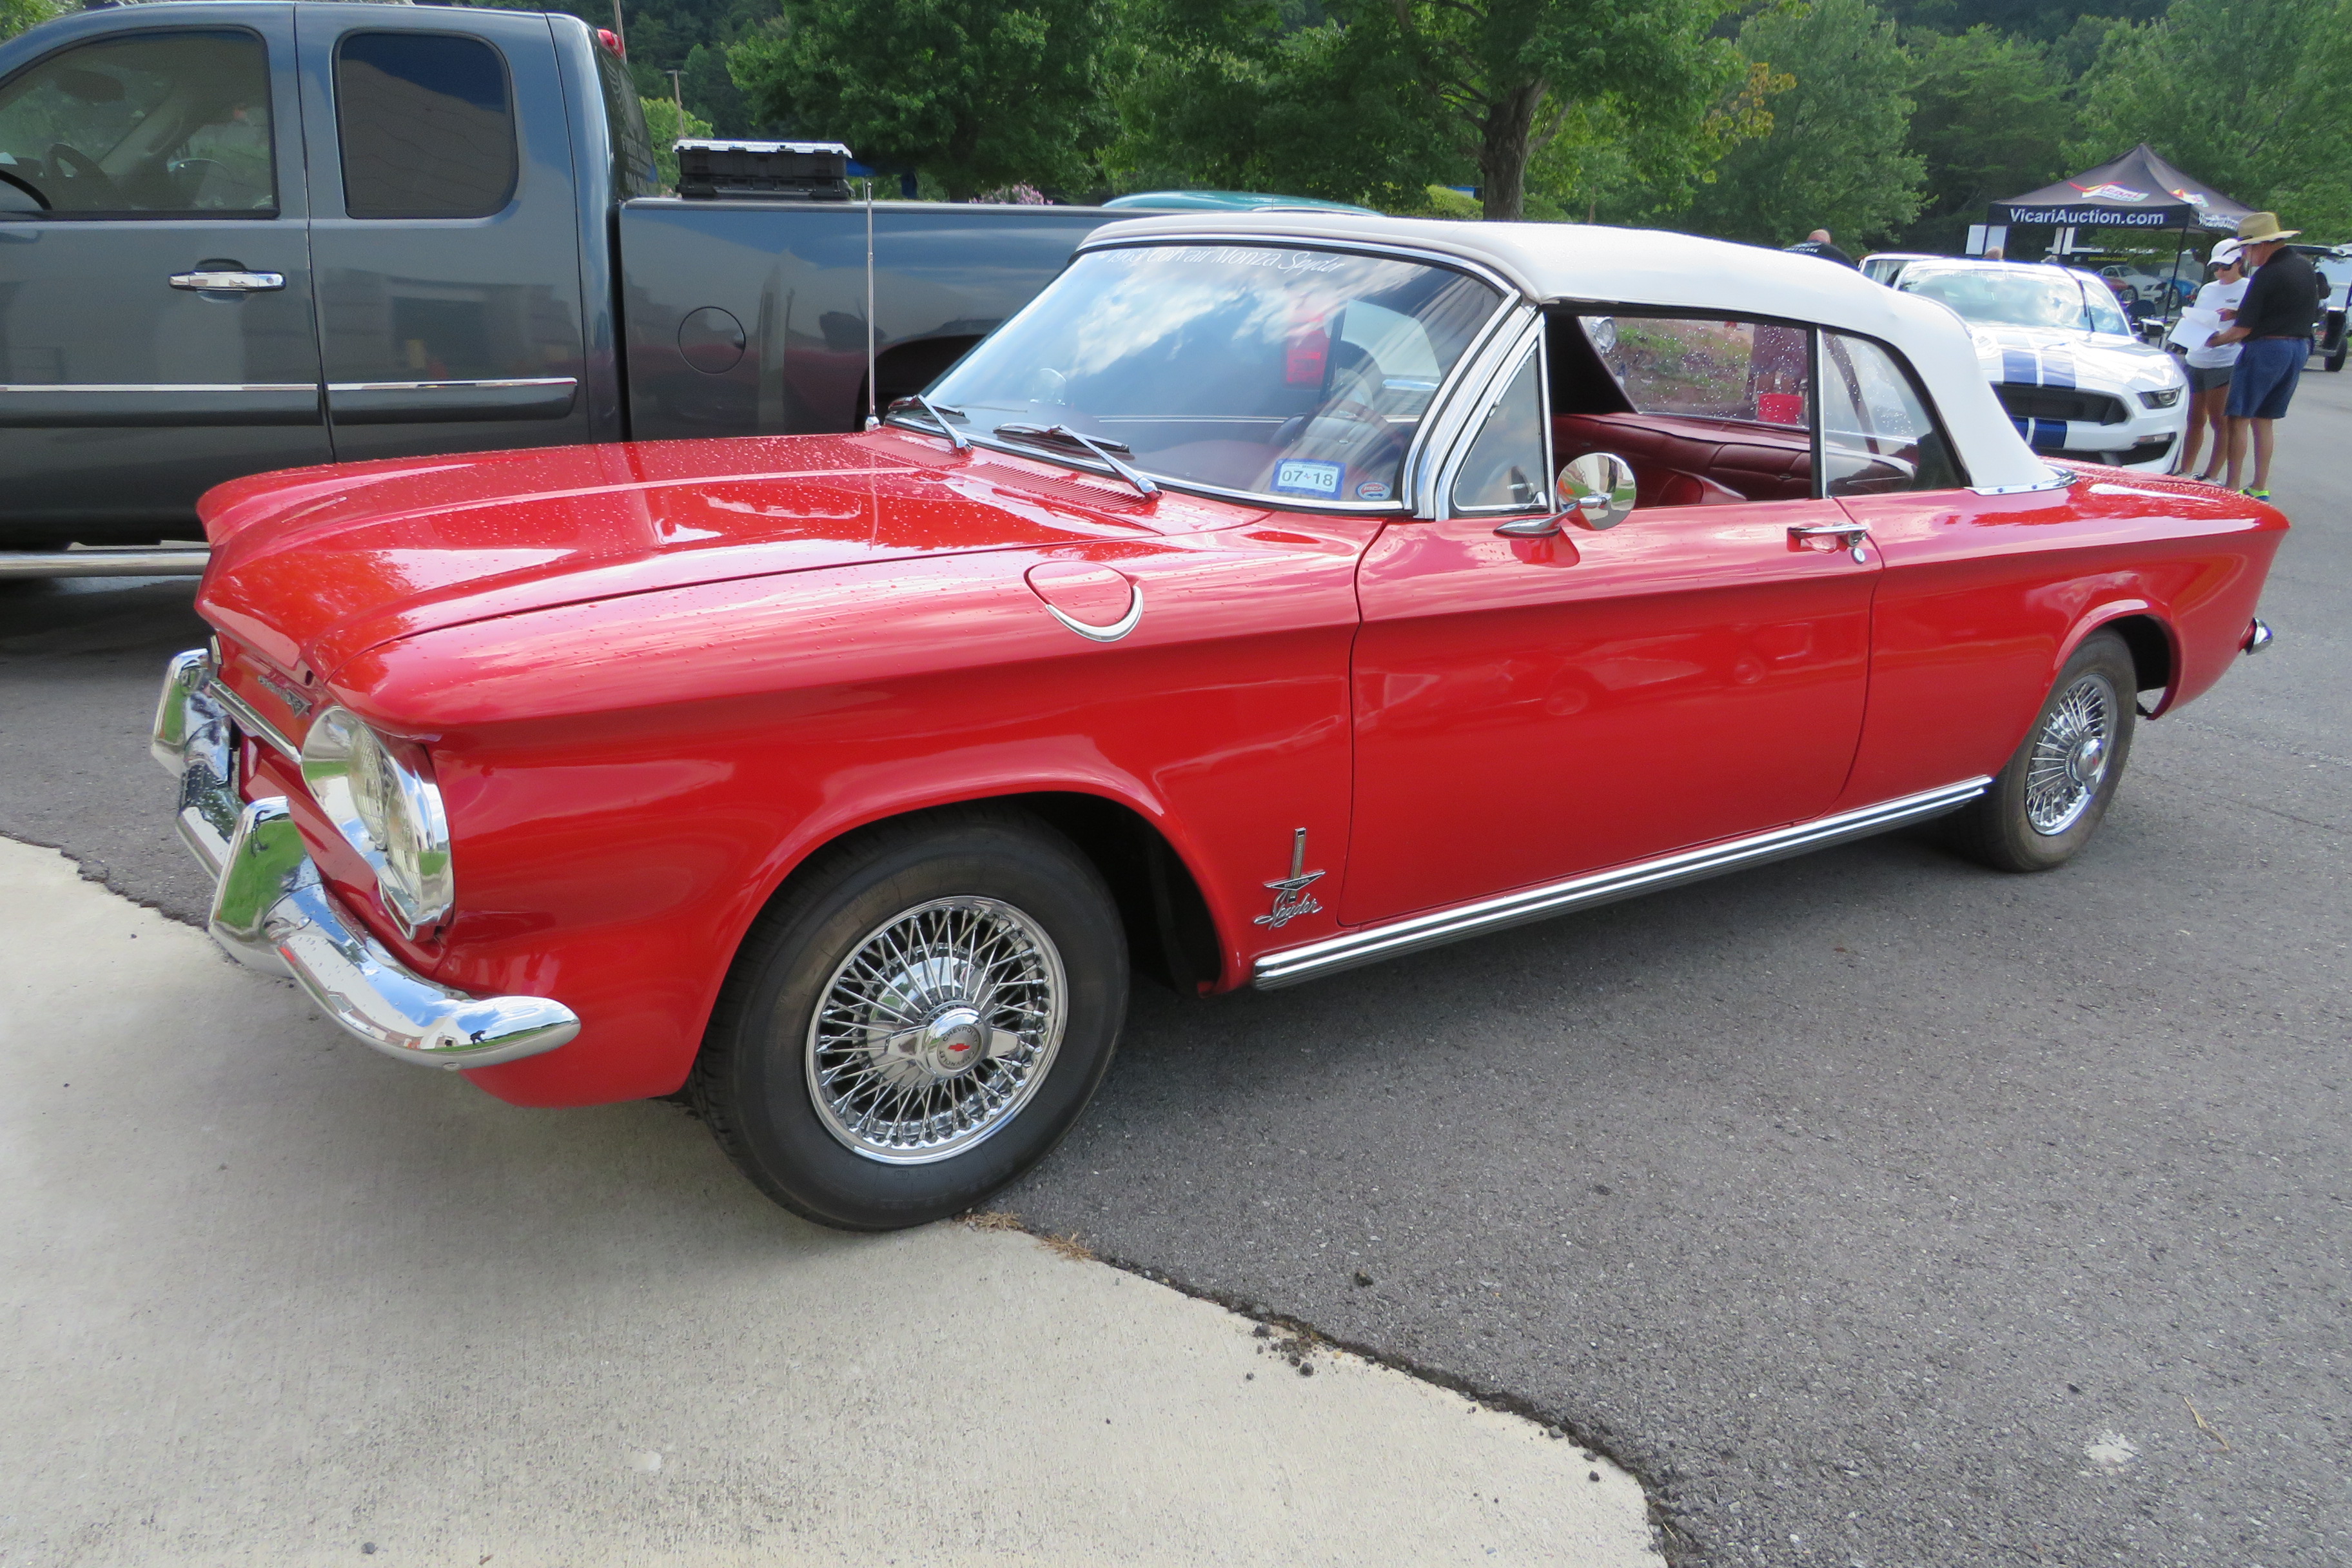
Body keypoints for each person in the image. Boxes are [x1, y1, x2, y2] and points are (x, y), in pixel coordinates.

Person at [2211, 211, 2320, 499]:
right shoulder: (2303, 267)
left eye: (2247, 249)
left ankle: (2231, 487)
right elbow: (2286, 308)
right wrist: (2238, 312)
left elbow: (2242, 330)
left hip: (2267, 349)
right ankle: (2260, 487)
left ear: (2261, 245)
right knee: (2265, 418)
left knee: (2239, 417)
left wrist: (2214, 341)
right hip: (2297, 348)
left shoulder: (2267, 274)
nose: (2246, 255)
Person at [2170, 240, 2248, 482]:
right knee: (2194, 419)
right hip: (2197, 357)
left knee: (2220, 421)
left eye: (2226, 267)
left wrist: (2224, 337)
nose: (2220, 273)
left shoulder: (2248, 288)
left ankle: (2211, 474)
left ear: (2239, 263)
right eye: (2217, 268)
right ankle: (2185, 470)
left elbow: (2246, 325)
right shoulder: (2208, 289)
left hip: (2224, 360)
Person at [1785, 229, 1857, 268]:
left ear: (1808, 240)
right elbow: (1854, 271)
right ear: (1828, 242)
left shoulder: (1788, 250)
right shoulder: (1831, 252)